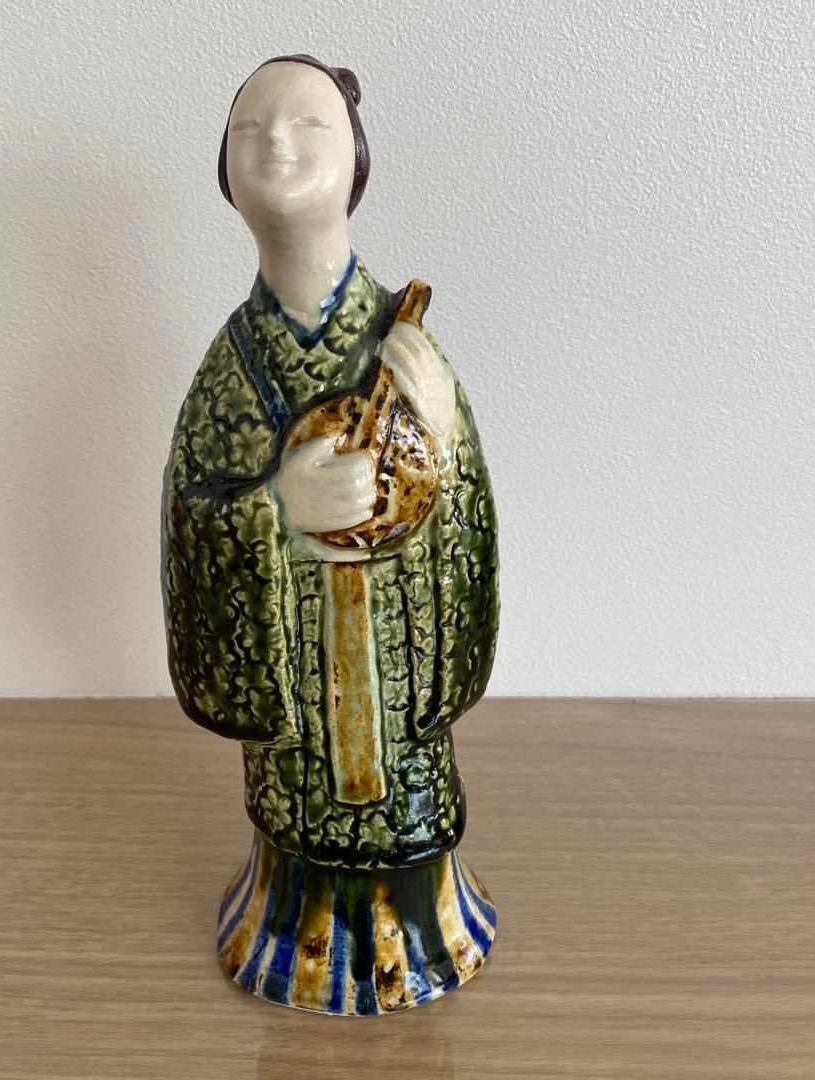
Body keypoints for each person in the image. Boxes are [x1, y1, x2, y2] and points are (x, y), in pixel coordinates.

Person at [161, 54, 499, 1014]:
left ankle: (423, 923)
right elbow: (191, 521)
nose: (276, 141)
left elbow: (467, 528)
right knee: (295, 812)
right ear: (225, 175)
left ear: (356, 157)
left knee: (408, 813)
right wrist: (274, 510)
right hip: (300, 721)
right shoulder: (232, 366)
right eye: (249, 128)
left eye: (307, 123)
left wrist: (445, 436)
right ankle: (291, 923)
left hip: (395, 696)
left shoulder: (404, 346)